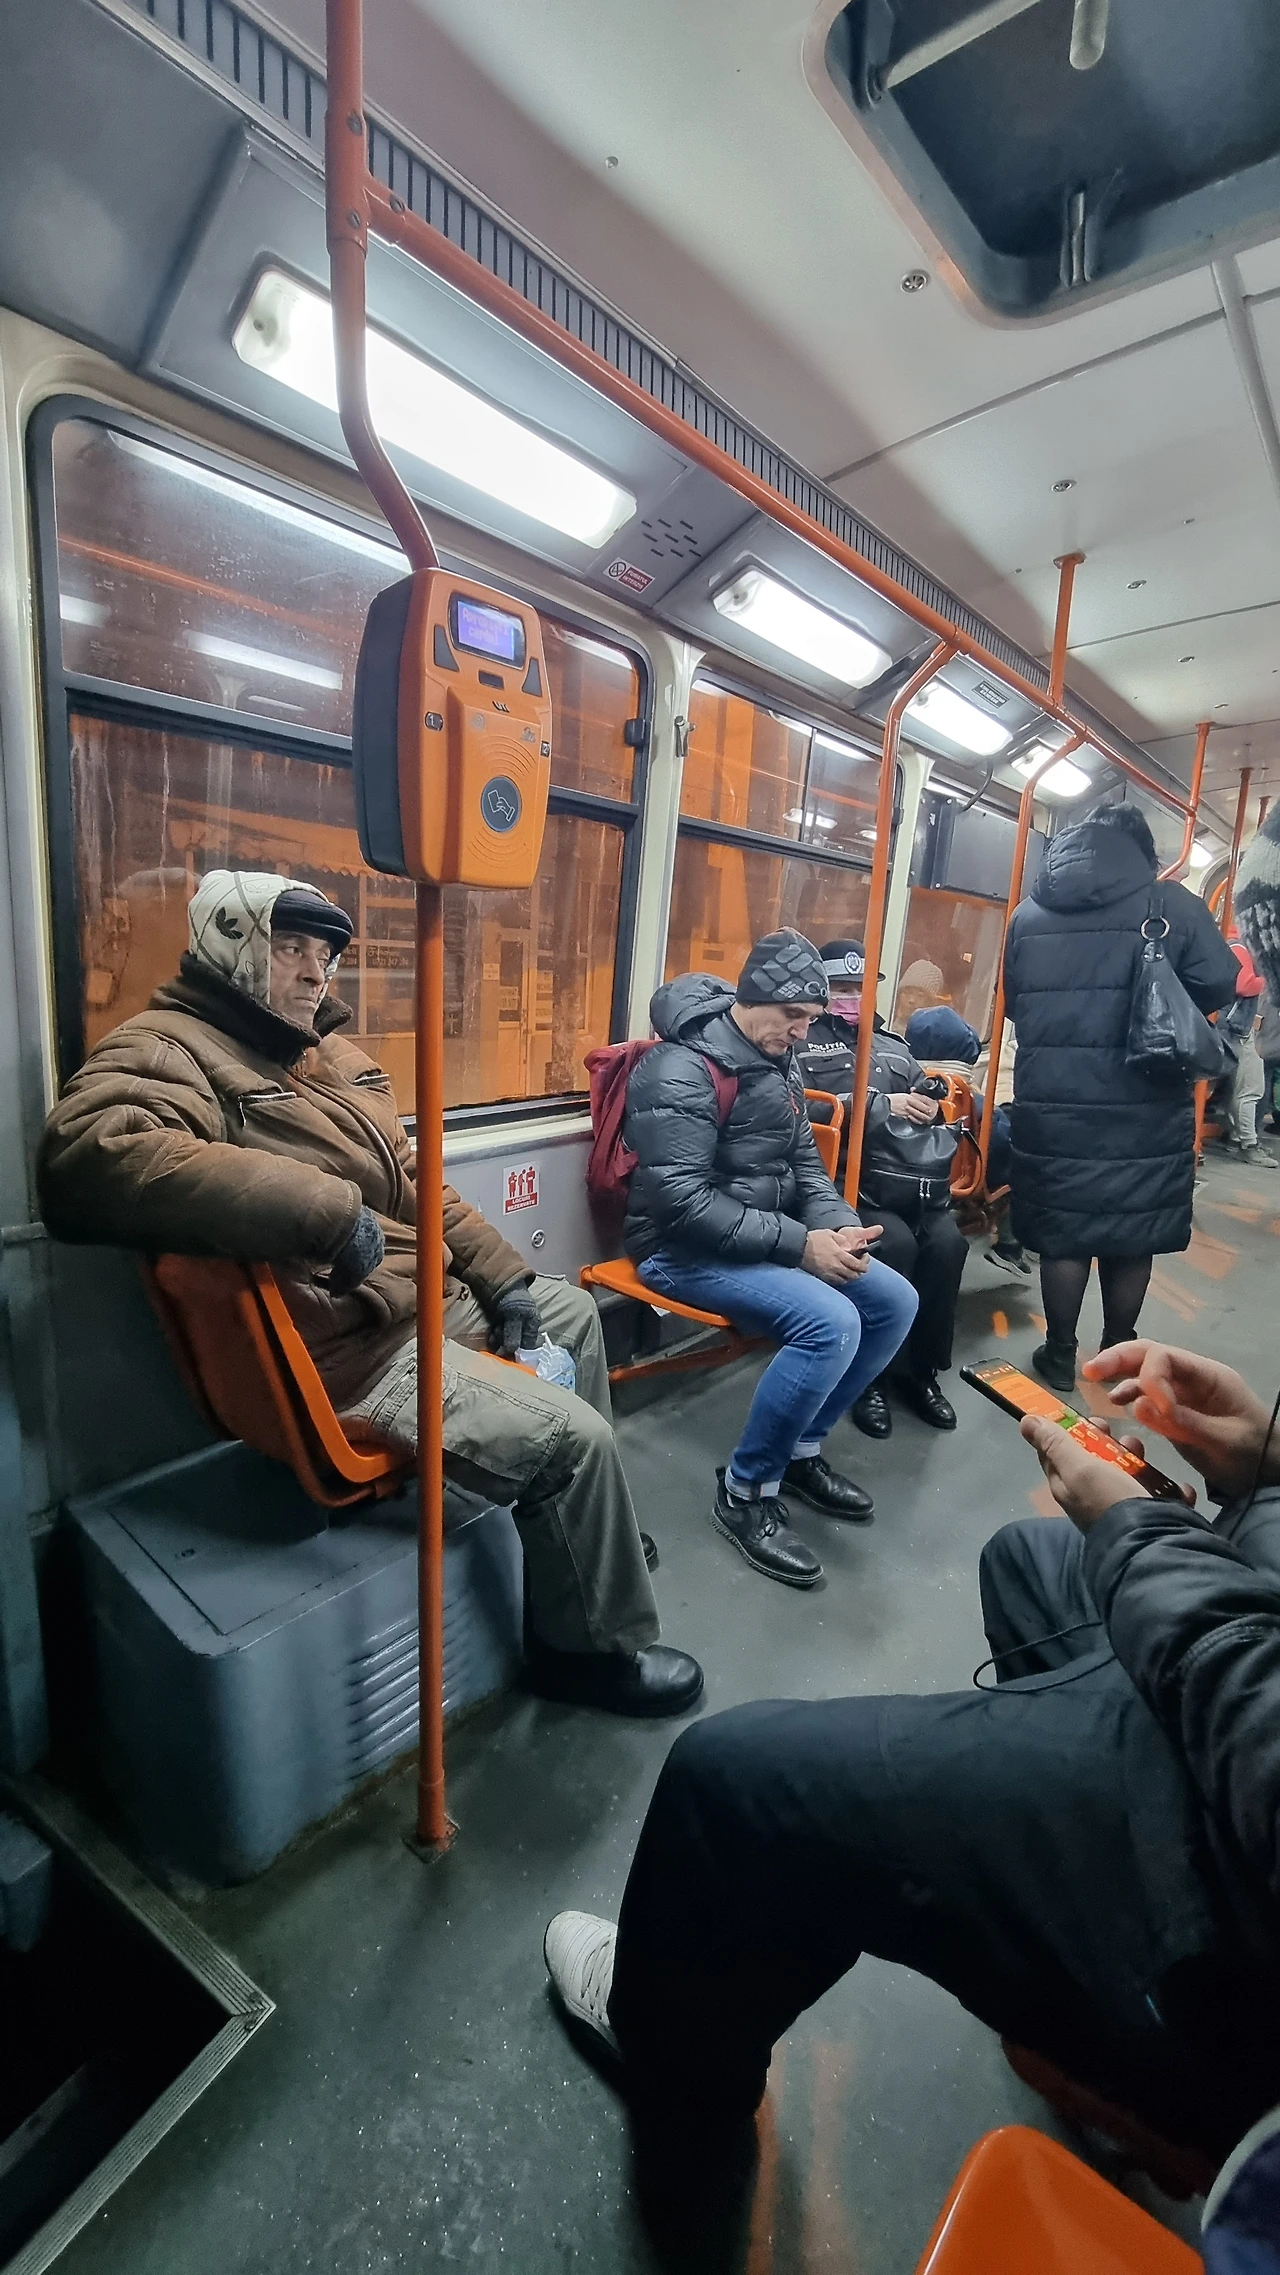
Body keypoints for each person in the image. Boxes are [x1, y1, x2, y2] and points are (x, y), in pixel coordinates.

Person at [543, 1336, 1280, 2176]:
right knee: (1026, 1559)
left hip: (1228, 1853)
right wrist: (1266, 1469)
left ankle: (672, 2063)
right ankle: (1057, 1970)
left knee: (729, 1779)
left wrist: (1137, 1532)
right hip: (1228, 1673)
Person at [38, 870, 703, 1720]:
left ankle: (590, 1548)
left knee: (567, 1311)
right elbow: (84, 1156)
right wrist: (320, 1209)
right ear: (228, 947)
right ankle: (585, 1652)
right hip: (355, 1350)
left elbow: (418, 1185)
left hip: (411, 1300)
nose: (315, 972)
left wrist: (502, 1277)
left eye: (323, 955)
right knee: (574, 1442)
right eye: (289, 948)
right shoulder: (170, 1049)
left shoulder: (332, 1056)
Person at [622, 930, 918, 1588]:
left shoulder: (778, 1061)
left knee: (895, 1300)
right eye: (794, 1016)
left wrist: (839, 1228)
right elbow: (681, 1202)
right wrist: (798, 1246)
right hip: (677, 1248)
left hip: (760, 1235)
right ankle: (746, 1490)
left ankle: (800, 1450)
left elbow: (806, 1168)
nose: (804, 1034)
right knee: (831, 1323)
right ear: (754, 1000)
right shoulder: (679, 1069)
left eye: (810, 1019)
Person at [1003, 800, 1239, 1391]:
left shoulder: (1028, 915)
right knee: (1131, 1232)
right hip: (1145, 1097)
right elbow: (1221, 982)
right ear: (1143, 852)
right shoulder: (1172, 906)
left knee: (1064, 1229)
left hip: (1052, 1101)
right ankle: (1118, 1354)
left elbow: (1015, 1004)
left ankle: (1059, 1354)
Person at [793, 942, 967, 1433]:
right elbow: (798, 1108)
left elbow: (925, 1100)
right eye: (842, 988)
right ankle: (869, 1377)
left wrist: (927, 1106)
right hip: (845, 1181)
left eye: (860, 988)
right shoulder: (801, 1043)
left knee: (948, 1244)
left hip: (906, 1179)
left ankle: (920, 1372)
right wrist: (876, 1105)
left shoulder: (894, 1046)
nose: (852, 997)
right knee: (895, 1244)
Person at [904, 1003, 1029, 1278]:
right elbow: (1003, 1151)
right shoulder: (978, 1107)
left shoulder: (899, 1096)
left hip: (904, 1180)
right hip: (963, 1185)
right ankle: (1009, 1246)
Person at [1219, 938, 1276, 1169]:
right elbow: (1244, 985)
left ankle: (1236, 1138)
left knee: (1238, 1089)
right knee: (1251, 1089)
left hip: (1233, 1026)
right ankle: (1249, 1145)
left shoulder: (1235, 945)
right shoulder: (1241, 949)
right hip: (1236, 1029)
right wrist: (1269, 982)